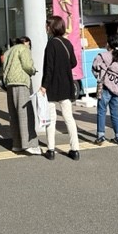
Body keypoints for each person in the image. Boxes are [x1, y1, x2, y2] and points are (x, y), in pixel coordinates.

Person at [40, 15, 80, 161]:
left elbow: (48, 68)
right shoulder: (67, 43)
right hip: (66, 84)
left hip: (52, 85)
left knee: (51, 118)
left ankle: (51, 150)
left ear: (52, 27)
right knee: (69, 117)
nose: (46, 28)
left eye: (47, 25)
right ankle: (75, 150)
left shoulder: (51, 44)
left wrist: (44, 86)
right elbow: (74, 63)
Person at [2, 36, 40, 155]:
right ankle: (29, 144)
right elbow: (27, 66)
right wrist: (33, 70)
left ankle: (17, 144)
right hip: (21, 83)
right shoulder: (24, 49)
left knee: (14, 114)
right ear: (26, 42)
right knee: (25, 114)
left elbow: (4, 66)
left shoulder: (9, 51)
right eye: (29, 44)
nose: (29, 46)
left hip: (9, 83)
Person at [92, 35, 118, 146]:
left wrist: (101, 76)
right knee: (115, 112)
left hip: (104, 87)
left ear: (108, 44)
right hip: (117, 88)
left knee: (101, 111)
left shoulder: (102, 56)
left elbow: (94, 69)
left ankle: (101, 136)